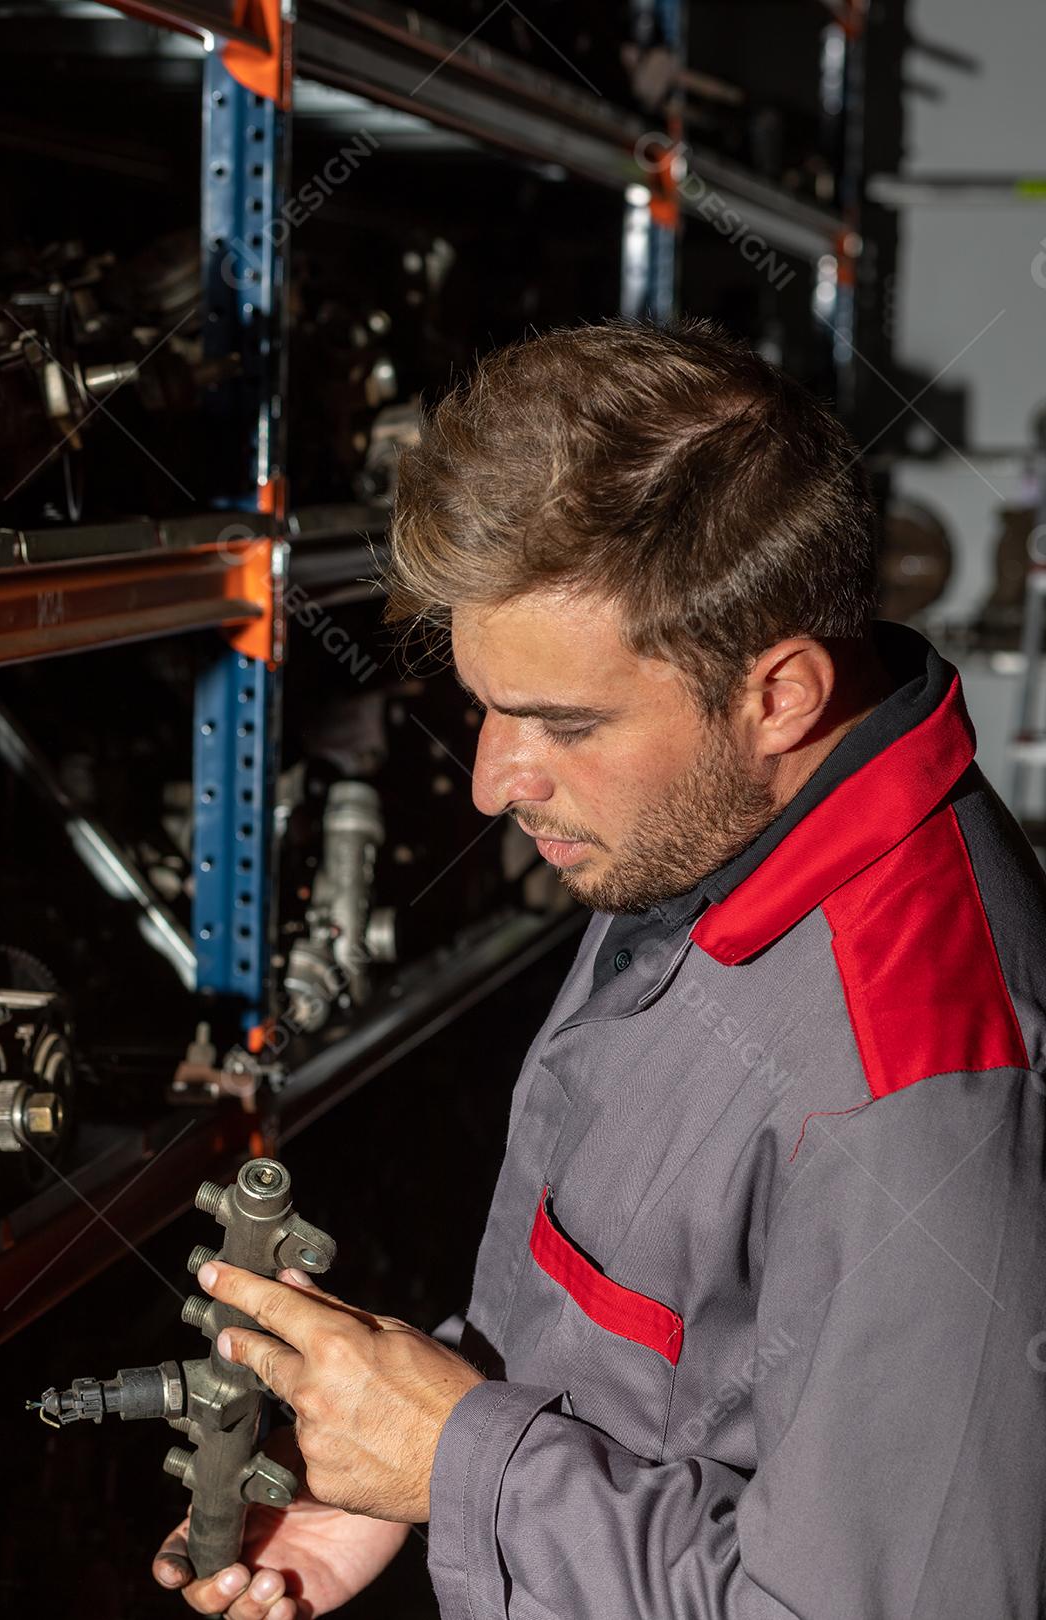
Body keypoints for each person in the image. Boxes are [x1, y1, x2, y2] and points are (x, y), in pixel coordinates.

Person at [153, 317, 1046, 1619]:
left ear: (779, 695)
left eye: (562, 724)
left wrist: (460, 1463)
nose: (491, 782)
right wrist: (389, 1481)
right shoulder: (714, 830)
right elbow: (663, 1340)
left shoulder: (923, 1094)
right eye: (487, 707)